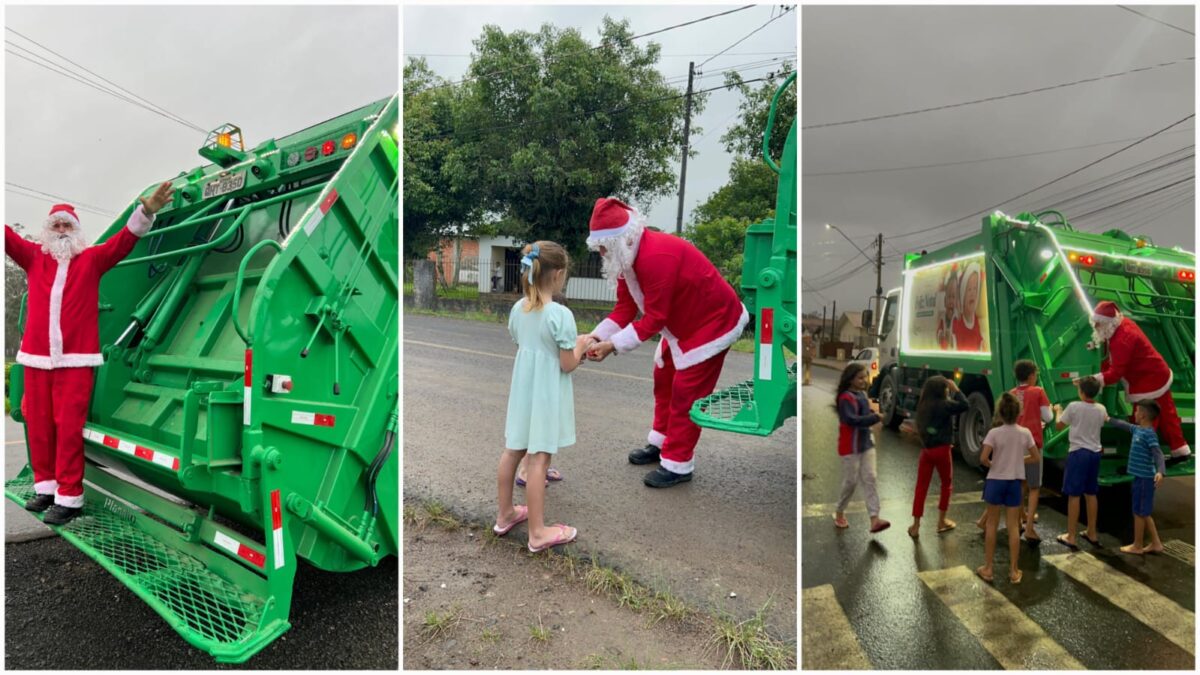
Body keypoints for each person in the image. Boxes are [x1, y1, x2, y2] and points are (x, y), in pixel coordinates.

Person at [6, 183, 173, 525]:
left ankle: (69, 498)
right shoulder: (33, 257)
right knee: (38, 425)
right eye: (57, 226)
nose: (62, 231)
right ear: (47, 231)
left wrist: (146, 212)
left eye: (68, 225)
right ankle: (46, 488)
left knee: (67, 428)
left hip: (76, 361)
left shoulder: (93, 259)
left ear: (77, 230)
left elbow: (124, 240)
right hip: (36, 359)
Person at [580, 198, 748, 488]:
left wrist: (612, 346)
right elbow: (625, 309)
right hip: (683, 325)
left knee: (687, 391)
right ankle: (662, 442)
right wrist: (595, 337)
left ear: (620, 240)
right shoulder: (627, 258)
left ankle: (678, 463)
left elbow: (655, 319)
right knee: (664, 376)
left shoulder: (655, 257)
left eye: (604, 246)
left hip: (713, 323)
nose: (602, 253)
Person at [494, 241, 592, 552]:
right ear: (559, 274)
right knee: (539, 459)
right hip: (546, 395)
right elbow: (567, 363)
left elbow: (525, 345)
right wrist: (582, 345)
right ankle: (538, 533)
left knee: (513, 451)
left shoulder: (517, 309)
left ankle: (505, 514)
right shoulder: (560, 314)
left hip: (523, 392)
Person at [1088, 300, 1189, 459]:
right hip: (1157, 375)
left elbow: (1115, 373)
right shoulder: (1122, 324)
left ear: (1108, 323)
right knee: (1168, 416)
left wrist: (1095, 380)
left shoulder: (1122, 340)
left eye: (1098, 324)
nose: (1095, 327)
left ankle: (1140, 457)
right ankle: (1180, 449)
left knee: (1143, 421)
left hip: (1147, 382)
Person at [975, 359, 1052, 541]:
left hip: (1013, 445)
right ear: (1032, 375)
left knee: (1018, 484)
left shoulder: (1011, 393)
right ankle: (1029, 528)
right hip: (1031, 443)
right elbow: (1047, 417)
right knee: (1033, 487)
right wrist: (1055, 410)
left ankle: (1016, 519)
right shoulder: (1038, 392)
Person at [977, 393, 1040, 584]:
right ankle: (1013, 570)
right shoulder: (1025, 432)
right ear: (1018, 413)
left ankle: (988, 568)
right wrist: (1018, 461)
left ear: (1000, 413)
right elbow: (1035, 457)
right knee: (1013, 526)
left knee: (991, 525)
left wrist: (994, 464)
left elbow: (983, 458)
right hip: (1014, 483)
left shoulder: (994, 433)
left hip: (995, 481)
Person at [833, 363, 890, 533]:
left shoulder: (862, 395)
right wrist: (874, 418)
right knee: (850, 482)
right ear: (850, 379)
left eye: (865, 377)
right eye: (860, 377)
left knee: (871, 478)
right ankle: (839, 511)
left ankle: (874, 518)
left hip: (866, 444)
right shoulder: (845, 398)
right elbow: (851, 420)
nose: (864, 380)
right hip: (850, 446)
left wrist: (874, 416)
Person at [908, 376, 968, 537]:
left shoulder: (923, 405)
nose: (948, 390)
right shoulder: (944, 404)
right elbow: (965, 405)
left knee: (921, 488)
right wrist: (957, 389)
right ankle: (941, 521)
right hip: (942, 450)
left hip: (926, 451)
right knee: (946, 484)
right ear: (942, 390)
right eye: (946, 388)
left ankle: (915, 525)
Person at [1053, 376, 1108, 549]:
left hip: (1078, 454)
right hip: (1095, 453)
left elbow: (1059, 426)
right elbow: (1104, 421)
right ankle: (1092, 532)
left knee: (1074, 495)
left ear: (1081, 392)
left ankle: (1071, 536)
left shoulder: (1074, 407)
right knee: (1091, 494)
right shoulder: (1101, 408)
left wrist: (1057, 411)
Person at [1108, 401, 1166, 555]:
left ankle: (1137, 545)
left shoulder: (1149, 434)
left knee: (1139, 513)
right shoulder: (1138, 429)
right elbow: (1123, 425)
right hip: (1140, 478)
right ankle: (1156, 543)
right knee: (1144, 513)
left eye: (1137, 411)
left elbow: (1158, 454)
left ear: (1143, 415)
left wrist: (1161, 471)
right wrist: (1108, 419)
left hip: (1145, 480)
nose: (1134, 414)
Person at [951, 260, 984, 351]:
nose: (972, 293)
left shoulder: (976, 320)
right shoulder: (958, 321)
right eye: (969, 289)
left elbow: (979, 340)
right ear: (962, 295)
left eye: (975, 288)